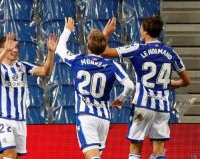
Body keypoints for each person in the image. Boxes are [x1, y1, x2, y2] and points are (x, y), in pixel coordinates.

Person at [102, 16, 191, 159]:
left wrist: (106, 34)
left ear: (145, 32)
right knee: (159, 151)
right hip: (162, 108)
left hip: (142, 108)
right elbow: (187, 80)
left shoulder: (137, 48)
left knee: (135, 148)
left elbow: (104, 52)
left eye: (141, 29)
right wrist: (174, 83)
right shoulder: (171, 52)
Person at [55, 17, 135, 159]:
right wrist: (121, 99)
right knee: (95, 156)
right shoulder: (112, 65)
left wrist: (67, 30)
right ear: (104, 46)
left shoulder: (78, 61)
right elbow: (130, 85)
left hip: (86, 116)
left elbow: (60, 48)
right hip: (104, 118)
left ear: (88, 44)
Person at [0, 32, 58, 158]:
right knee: (9, 153)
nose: (14, 50)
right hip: (3, 118)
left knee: (10, 156)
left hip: (20, 120)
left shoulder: (23, 67)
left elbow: (45, 71)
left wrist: (51, 53)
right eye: (10, 46)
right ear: (2, 49)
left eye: (16, 47)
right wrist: (4, 52)